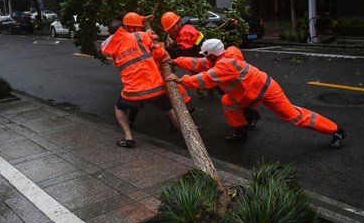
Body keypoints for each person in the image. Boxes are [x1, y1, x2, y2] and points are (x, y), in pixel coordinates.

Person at [166, 38, 346, 148]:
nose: (205, 58)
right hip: (249, 94)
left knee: (294, 117)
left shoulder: (225, 65)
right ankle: (241, 132)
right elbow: (197, 64)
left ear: (213, 54)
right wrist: (175, 60)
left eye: (206, 55)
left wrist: (182, 80)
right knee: (228, 101)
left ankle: (336, 131)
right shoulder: (220, 58)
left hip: (267, 90)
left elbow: (205, 79)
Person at [161, 11, 260, 128]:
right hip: (208, 64)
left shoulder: (185, 31)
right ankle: (248, 116)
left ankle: (251, 115)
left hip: (212, 66)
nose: (172, 31)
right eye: (169, 30)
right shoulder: (183, 31)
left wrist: (167, 49)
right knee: (228, 92)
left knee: (229, 93)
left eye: (173, 28)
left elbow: (182, 51)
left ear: (178, 22)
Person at [101, 12, 181, 147]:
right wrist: (163, 52)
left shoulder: (113, 50)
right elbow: (159, 52)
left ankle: (128, 137)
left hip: (132, 93)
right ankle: (186, 136)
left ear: (110, 34)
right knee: (170, 110)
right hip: (154, 88)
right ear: (125, 28)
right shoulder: (140, 36)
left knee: (119, 108)